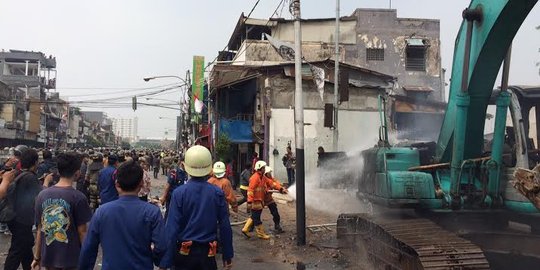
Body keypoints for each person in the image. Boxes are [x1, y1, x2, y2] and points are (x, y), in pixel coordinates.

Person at [79, 160, 166, 270]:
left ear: (117, 185)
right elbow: (161, 246)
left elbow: (88, 248)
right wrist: (153, 257)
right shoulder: (152, 212)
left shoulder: (102, 212)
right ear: (141, 184)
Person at [159, 145, 233, 270]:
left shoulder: (179, 193)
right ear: (209, 167)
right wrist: (227, 255)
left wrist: (165, 261)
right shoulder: (217, 193)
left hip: (184, 255)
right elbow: (225, 226)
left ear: (186, 166)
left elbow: (172, 229)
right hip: (208, 256)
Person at [32, 152, 93, 270]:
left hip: (49, 257)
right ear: (77, 173)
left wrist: (37, 257)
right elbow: (82, 232)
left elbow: (40, 228)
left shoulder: (42, 195)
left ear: (58, 172)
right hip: (71, 258)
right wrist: (87, 259)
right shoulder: (79, 197)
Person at [1, 148, 42, 270]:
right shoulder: (30, 177)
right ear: (35, 163)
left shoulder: (17, 173)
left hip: (14, 217)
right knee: (17, 250)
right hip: (22, 220)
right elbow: (39, 197)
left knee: (26, 246)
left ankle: (29, 266)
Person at [242, 160, 271, 240]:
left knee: (254, 216)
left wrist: (280, 188)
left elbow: (270, 183)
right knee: (257, 218)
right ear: (260, 169)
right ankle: (261, 234)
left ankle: (245, 229)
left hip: (259, 201)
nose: (265, 169)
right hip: (255, 201)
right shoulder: (255, 178)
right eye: (263, 168)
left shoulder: (262, 177)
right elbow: (250, 190)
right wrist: (250, 202)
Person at [262, 166, 288, 233]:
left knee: (275, 212)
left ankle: (277, 226)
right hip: (261, 199)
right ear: (265, 173)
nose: (270, 174)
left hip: (269, 199)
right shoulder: (262, 179)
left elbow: (275, 184)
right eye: (269, 173)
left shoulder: (270, 179)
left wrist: (281, 188)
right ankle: (250, 227)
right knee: (256, 214)